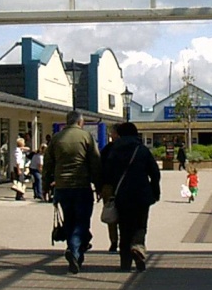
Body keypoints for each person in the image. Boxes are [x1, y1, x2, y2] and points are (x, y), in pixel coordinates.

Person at [44, 110, 102, 274]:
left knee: (69, 220)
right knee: (82, 221)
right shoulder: (86, 137)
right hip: (82, 186)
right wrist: (99, 186)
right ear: (80, 122)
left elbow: (48, 164)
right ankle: (75, 250)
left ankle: (75, 250)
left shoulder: (56, 139)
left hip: (62, 187)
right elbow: (95, 162)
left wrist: (45, 186)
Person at [100, 121, 161, 271]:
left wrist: (103, 190)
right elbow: (154, 172)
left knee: (124, 228)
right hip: (141, 194)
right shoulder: (142, 150)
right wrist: (155, 191)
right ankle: (138, 247)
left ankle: (125, 263)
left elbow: (104, 172)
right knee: (140, 225)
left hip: (121, 195)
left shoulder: (112, 150)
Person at [98, 125, 121, 252]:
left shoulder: (107, 149)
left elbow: (99, 168)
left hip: (108, 186)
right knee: (125, 214)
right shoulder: (132, 148)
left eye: (112, 133)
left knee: (111, 214)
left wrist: (99, 187)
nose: (111, 136)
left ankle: (113, 241)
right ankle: (125, 240)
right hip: (126, 186)